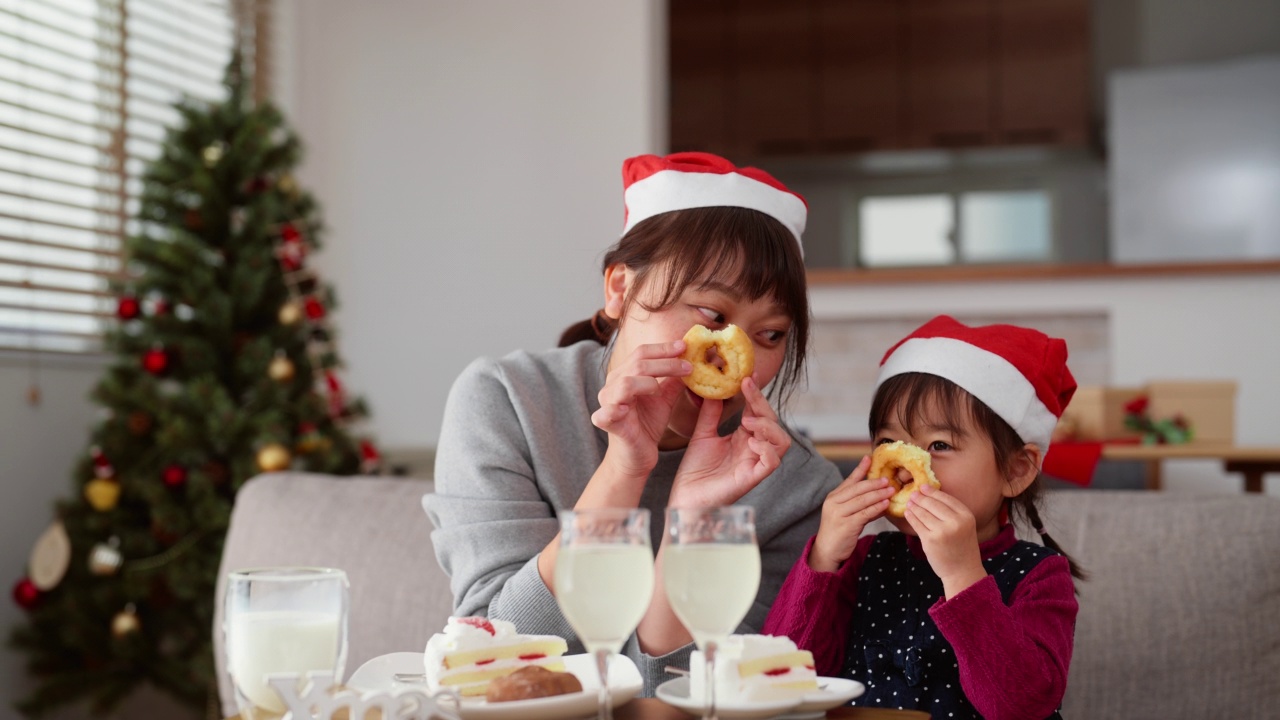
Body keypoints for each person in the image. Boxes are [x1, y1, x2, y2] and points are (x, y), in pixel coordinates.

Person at [423, 152, 843, 693]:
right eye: (713, 316)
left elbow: (698, 696)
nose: (735, 349)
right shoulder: (507, 402)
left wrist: (692, 520)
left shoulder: (796, 486)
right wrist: (621, 471)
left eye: (770, 335)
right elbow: (497, 661)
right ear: (620, 289)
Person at [763, 315, 1085, 720]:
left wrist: (963, 577)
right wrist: (823, 558)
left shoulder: (1038, 576)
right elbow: (780, 680)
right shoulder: (864, 561)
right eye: (889, 441)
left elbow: (1020, 706)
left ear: (1016, 470)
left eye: (939, 443)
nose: (905, 464)